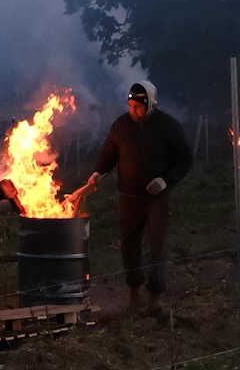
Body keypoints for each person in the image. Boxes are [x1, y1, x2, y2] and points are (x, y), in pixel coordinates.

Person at [68, 81, 193, 320]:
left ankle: (155, 300)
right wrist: (97, 172)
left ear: (151, 105)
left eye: (138, 107)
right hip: (129, 197)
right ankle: (135, 295)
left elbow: (185, 160)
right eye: (131, 105)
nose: (133, 111)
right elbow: (109, 154)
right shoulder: (121, 126)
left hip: (157, 199)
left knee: (156, 248)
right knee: (129, 247)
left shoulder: (169, 127)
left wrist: (165, 180)